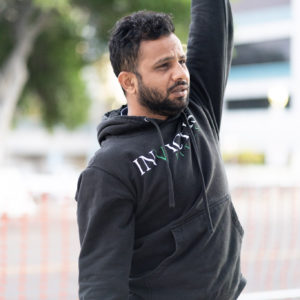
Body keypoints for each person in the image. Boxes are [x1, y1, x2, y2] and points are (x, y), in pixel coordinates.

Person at [75, 0, 246, 299]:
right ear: (128, 81)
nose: (180, 73)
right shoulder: (109, 169)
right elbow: (101, 285)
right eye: (163, 66)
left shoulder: (197, 107)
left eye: (180, 60)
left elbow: (213, 22)